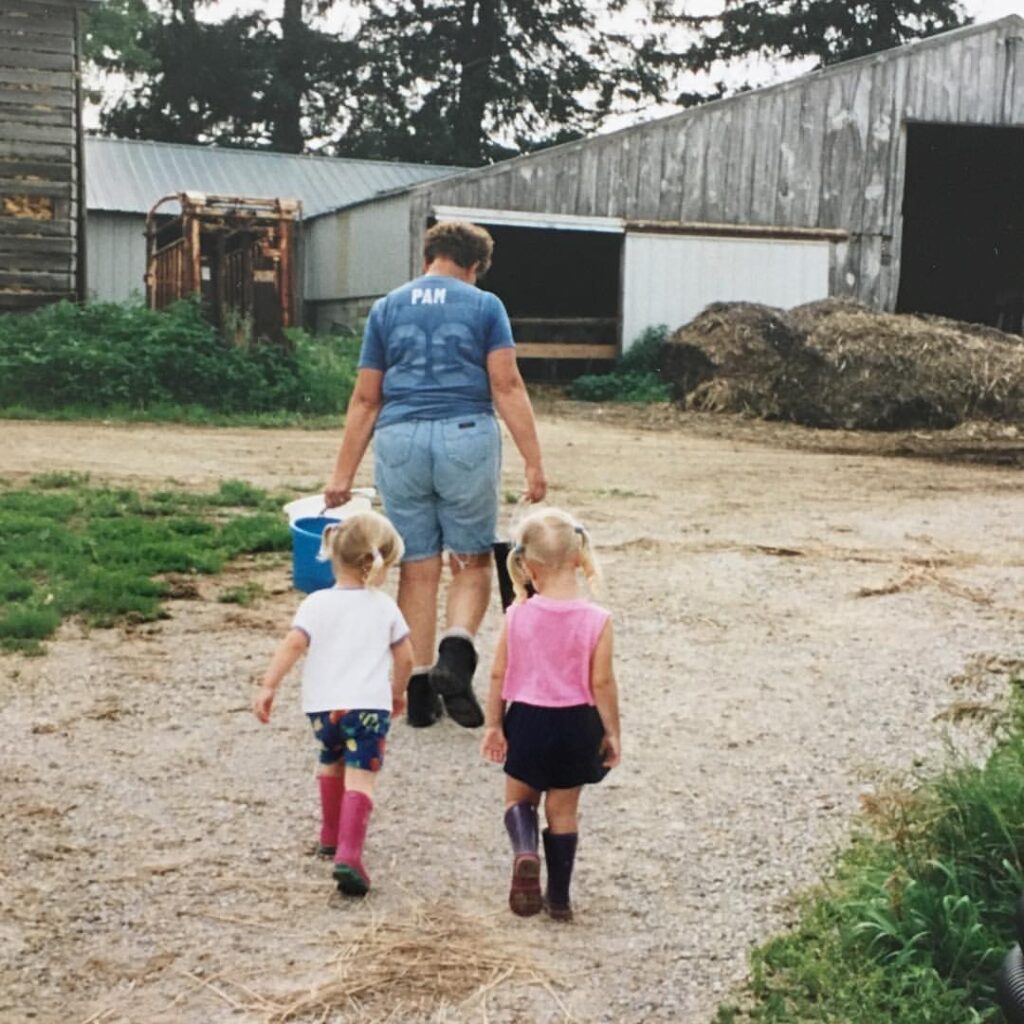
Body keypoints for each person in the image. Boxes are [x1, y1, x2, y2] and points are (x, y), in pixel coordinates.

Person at [323, 221, 546, 731]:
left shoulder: (386, 308)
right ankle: (456, 654)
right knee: (470, 562)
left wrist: (342, 474)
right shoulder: (485, 305)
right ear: (474, 267)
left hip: (399, 439)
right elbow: (506, 386)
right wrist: (533, 461)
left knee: (416, 567)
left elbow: (365, 398)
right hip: (465, 435)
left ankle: (420, 690)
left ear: (428, 258)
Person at [252, 511, 413, 896]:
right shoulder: (384, 607)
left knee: (331, 760)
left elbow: (294, 643)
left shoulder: (316, 603)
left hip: (324, 708)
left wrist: (268, 685)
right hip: (368, 709)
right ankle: (349, 853)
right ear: (377, 563)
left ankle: (329, 833)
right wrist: (398, 691)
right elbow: (406, 656)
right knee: (362, 775)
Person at [480, 508, 621, 921]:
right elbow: (602, 684)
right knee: (563, 811)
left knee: (518, 799)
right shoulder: (598, 620)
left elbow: (497, 673)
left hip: (527, 719)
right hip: (577, 723)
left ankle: (525, 851)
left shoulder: (517, 614)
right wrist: (611, 732)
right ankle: (558, 900)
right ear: (578, 557)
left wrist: (493, 724)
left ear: (526, 564)